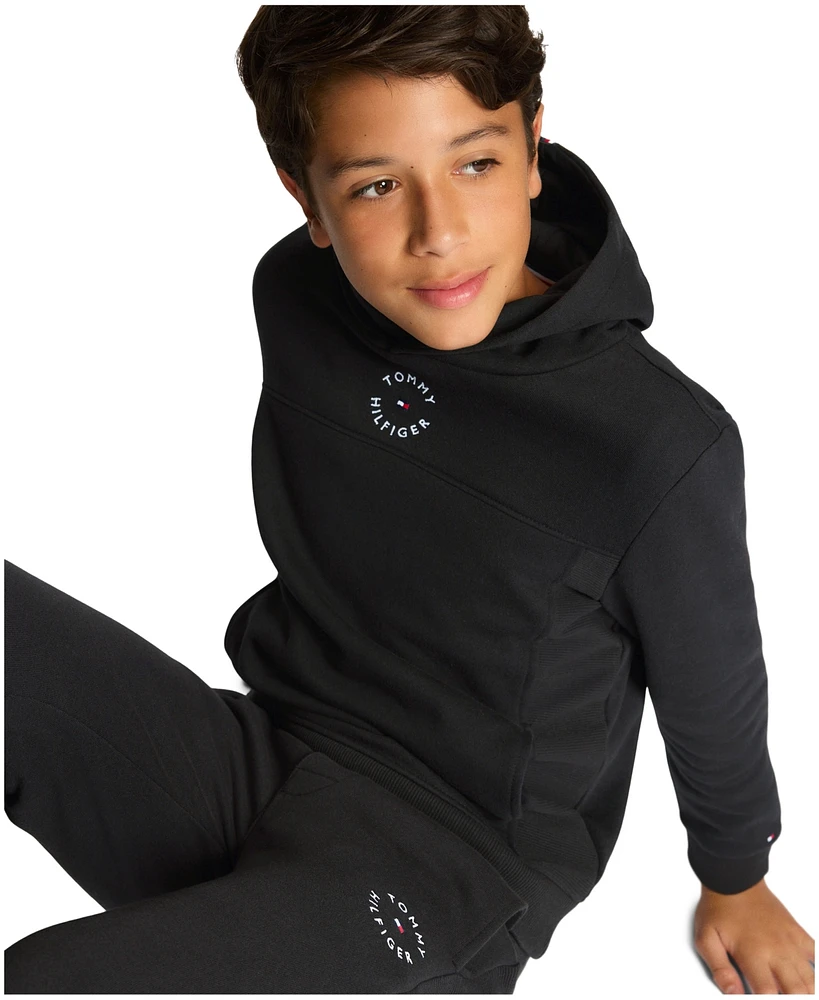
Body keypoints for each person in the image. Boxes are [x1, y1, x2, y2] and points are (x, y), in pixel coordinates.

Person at [4, 6, 815, 995]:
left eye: (475, 163)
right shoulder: (296, 292)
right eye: (377, 186)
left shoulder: (656, 444)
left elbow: (713, 685)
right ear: (304, 196)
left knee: (43, 979)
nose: (440, 234)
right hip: (259, 753)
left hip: (450, 864)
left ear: (533, 149)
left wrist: (736, 878)